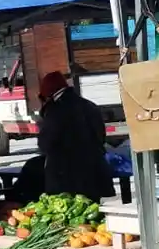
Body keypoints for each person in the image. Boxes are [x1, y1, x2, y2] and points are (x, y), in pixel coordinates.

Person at [35, 71, 112, 202]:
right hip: (94, 173)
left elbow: (45, 144)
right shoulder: (90, 105)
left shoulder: (55, 110)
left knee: (69, 217)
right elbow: (101, 137)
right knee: (94, 217)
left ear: (47, 91)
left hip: (64, 178)